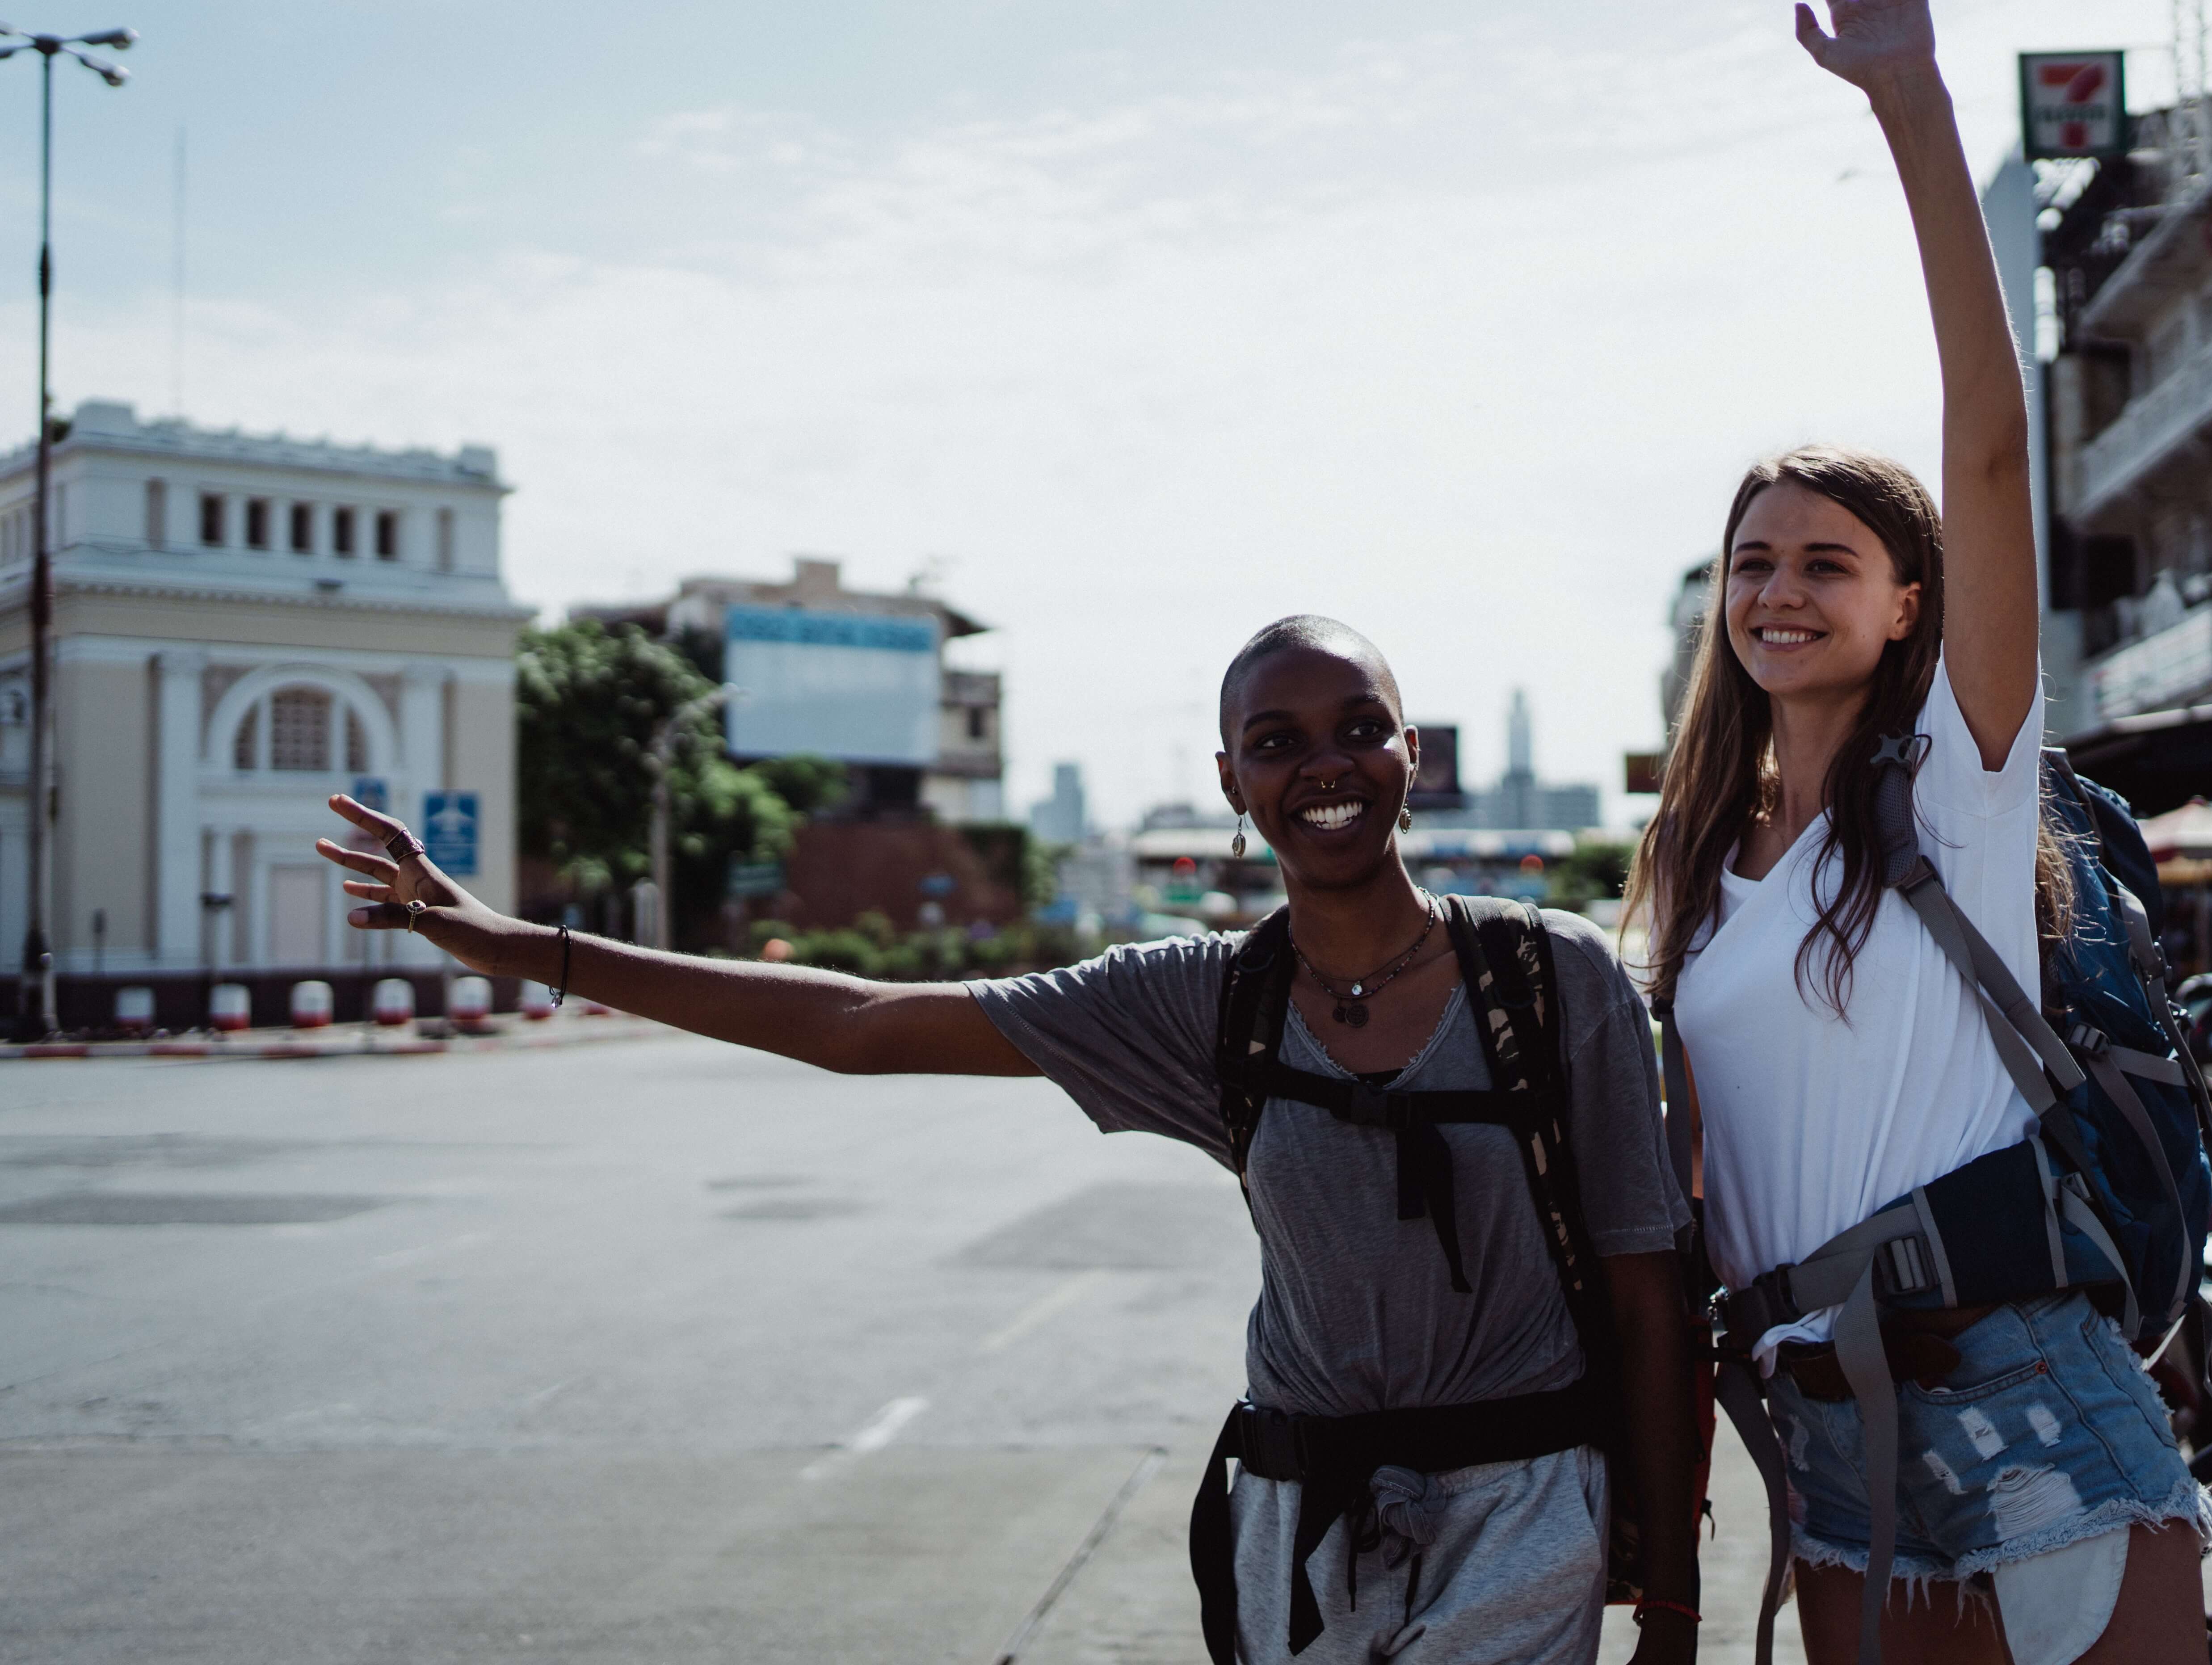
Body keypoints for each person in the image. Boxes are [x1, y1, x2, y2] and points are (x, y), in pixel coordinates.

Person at [317, 615, 1701, 1665]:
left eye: (1358, 728)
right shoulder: (1198, 1001)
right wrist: (512, 941)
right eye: (1277, 742)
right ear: (1232, 779)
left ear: (1414, 753)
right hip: (1303, 1520)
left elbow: (1648, 1285)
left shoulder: (1549, 973)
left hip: (1525, 1510)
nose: (1324, 765)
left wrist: (1674, 1596)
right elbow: (858, 1021)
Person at [1626, 0, 2212, 1665]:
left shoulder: (1957, 789)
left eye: (1829, 561)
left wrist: (1911, 110)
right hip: (1826, 1428)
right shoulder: (1694, 876)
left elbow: (1983, 442)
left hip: (2028, 1388)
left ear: (1909, 600)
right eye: (1753, 564)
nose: (1781, 591)